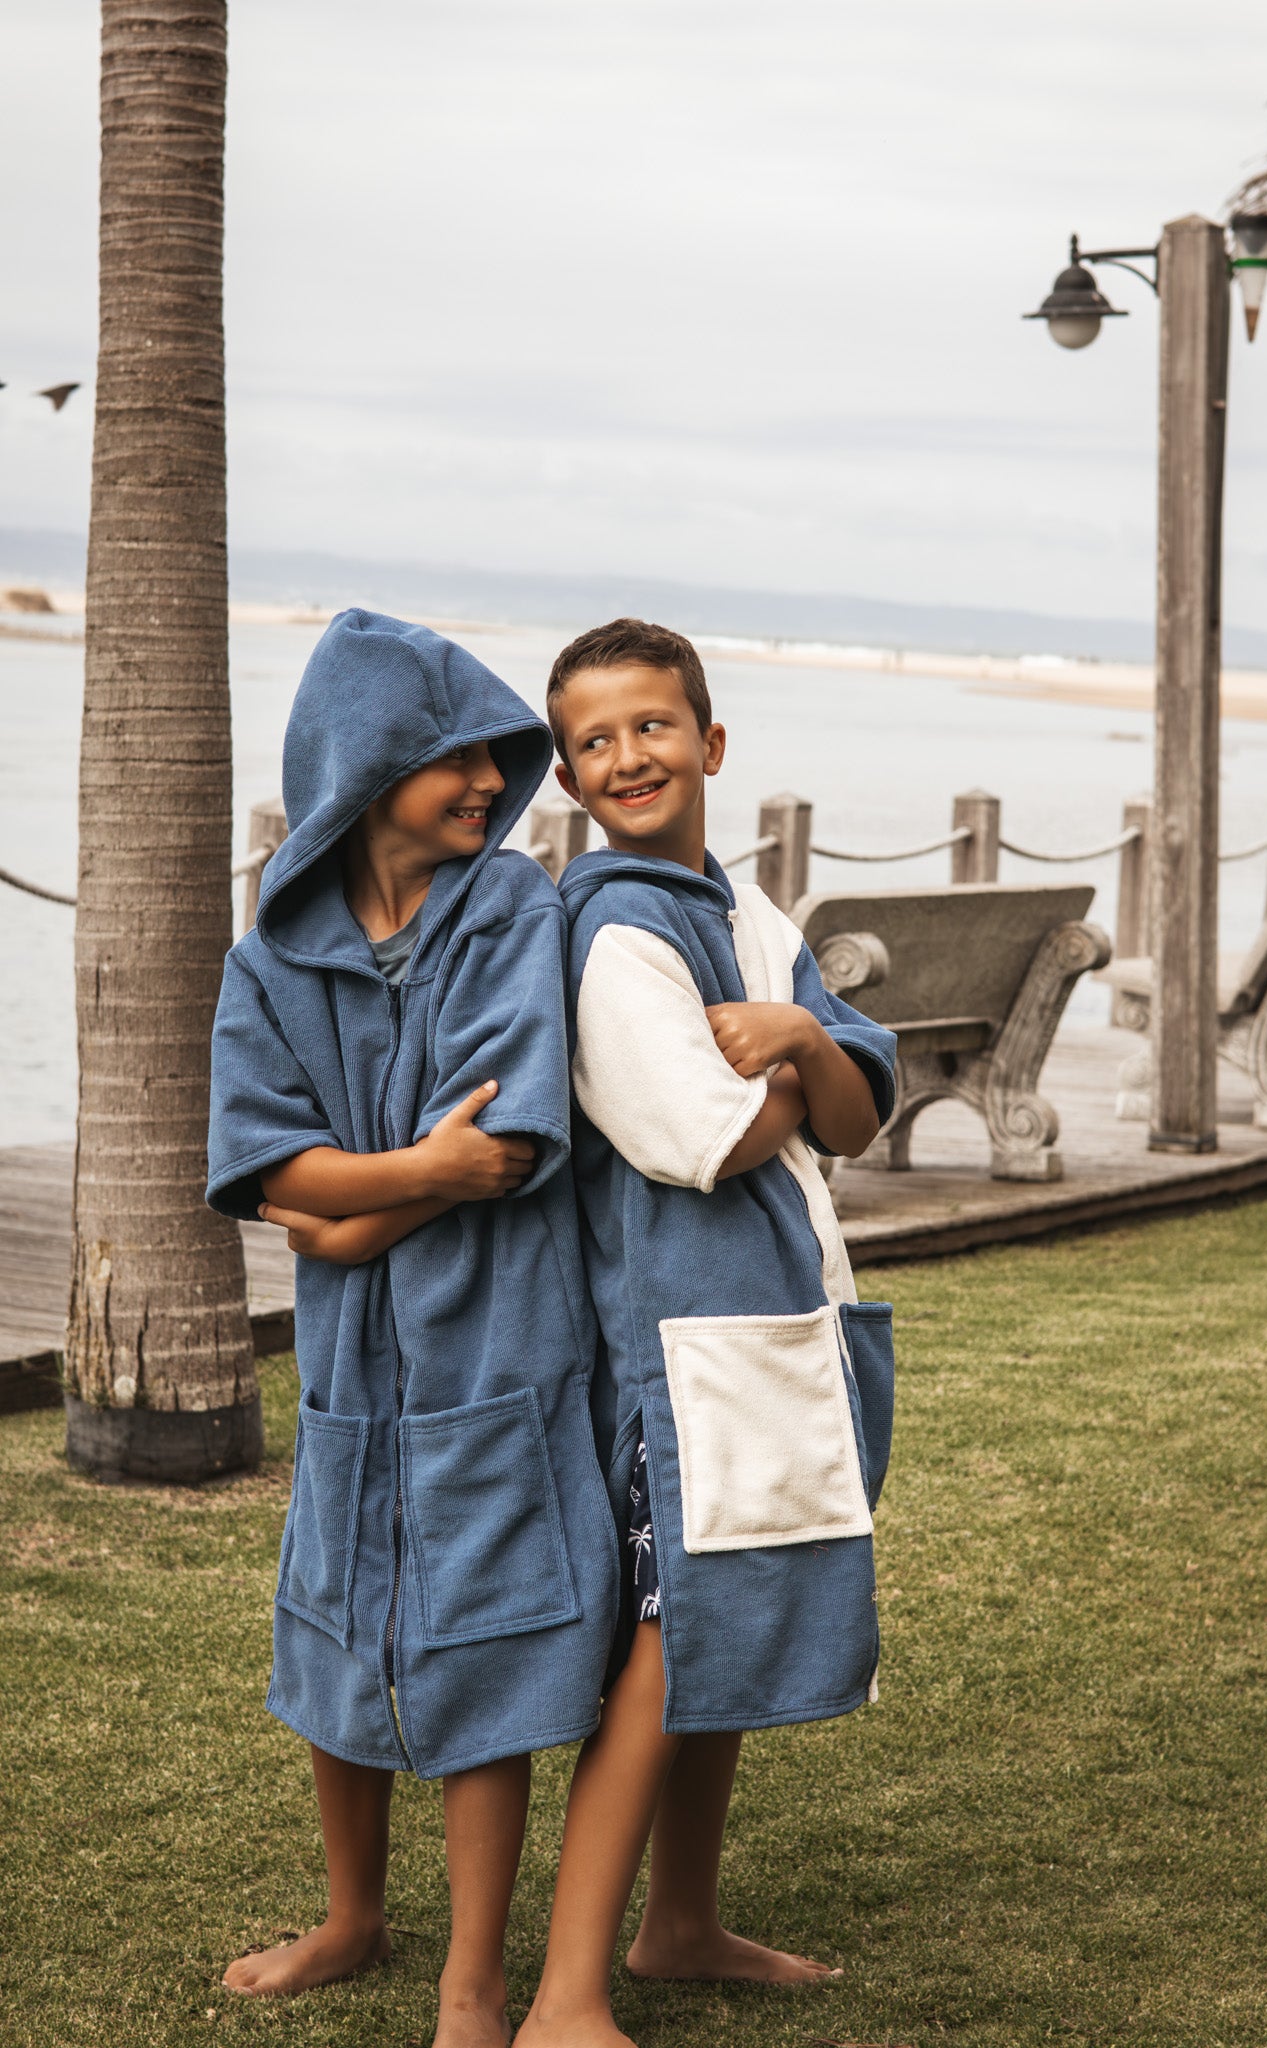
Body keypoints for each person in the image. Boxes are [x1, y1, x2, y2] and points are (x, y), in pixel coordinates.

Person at [206, 609, 619, 2048]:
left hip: (497, 1356)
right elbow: (267, 1170)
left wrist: (353, 1213)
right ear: (366, 758)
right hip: (347, 1379)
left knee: (484, 1648)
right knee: (335, 1621)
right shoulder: (268, 960)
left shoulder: (511, 909)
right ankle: (351, 1916)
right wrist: (408, 1176)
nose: (492, 786)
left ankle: (474, 1984)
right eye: (456, 761)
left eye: (497, 762)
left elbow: (498, 1143)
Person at [514, 618, 899, 2048]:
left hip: (786, 1323)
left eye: (653, 726)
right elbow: (705, 1137)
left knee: (723, 1625)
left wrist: (797, 1042)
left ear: (710, 743)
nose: (628, 755)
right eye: (595, 739)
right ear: (565, 773)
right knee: (668, 1644)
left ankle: (679, 1922)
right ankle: (563, 1995)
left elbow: (859, 1118)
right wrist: (797, 1064)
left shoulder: (750, 917)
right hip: (683, 1346)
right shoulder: (611, 930)